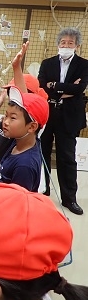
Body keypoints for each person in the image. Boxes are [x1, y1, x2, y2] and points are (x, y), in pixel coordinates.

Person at [38, 27, 88, 215]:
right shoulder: (47, 63)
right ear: (58, 44)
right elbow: (42, 85)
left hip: (70, 116)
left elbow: (80, 88)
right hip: (47, 113)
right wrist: (64, 88)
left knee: (67, 157)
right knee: (41, 153)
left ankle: (69, 199)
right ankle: (42, 193)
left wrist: (55, 85)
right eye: (63, 42)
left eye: (70, 43)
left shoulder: (84, 65)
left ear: (77, 45)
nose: (66, 45)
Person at [0, 86, 49, 192]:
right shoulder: (18, 142)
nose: (5, 122)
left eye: (13, 118)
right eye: (6, 116)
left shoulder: (25, 166)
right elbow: (0, 167)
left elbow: (17, 204)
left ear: (32, 127)